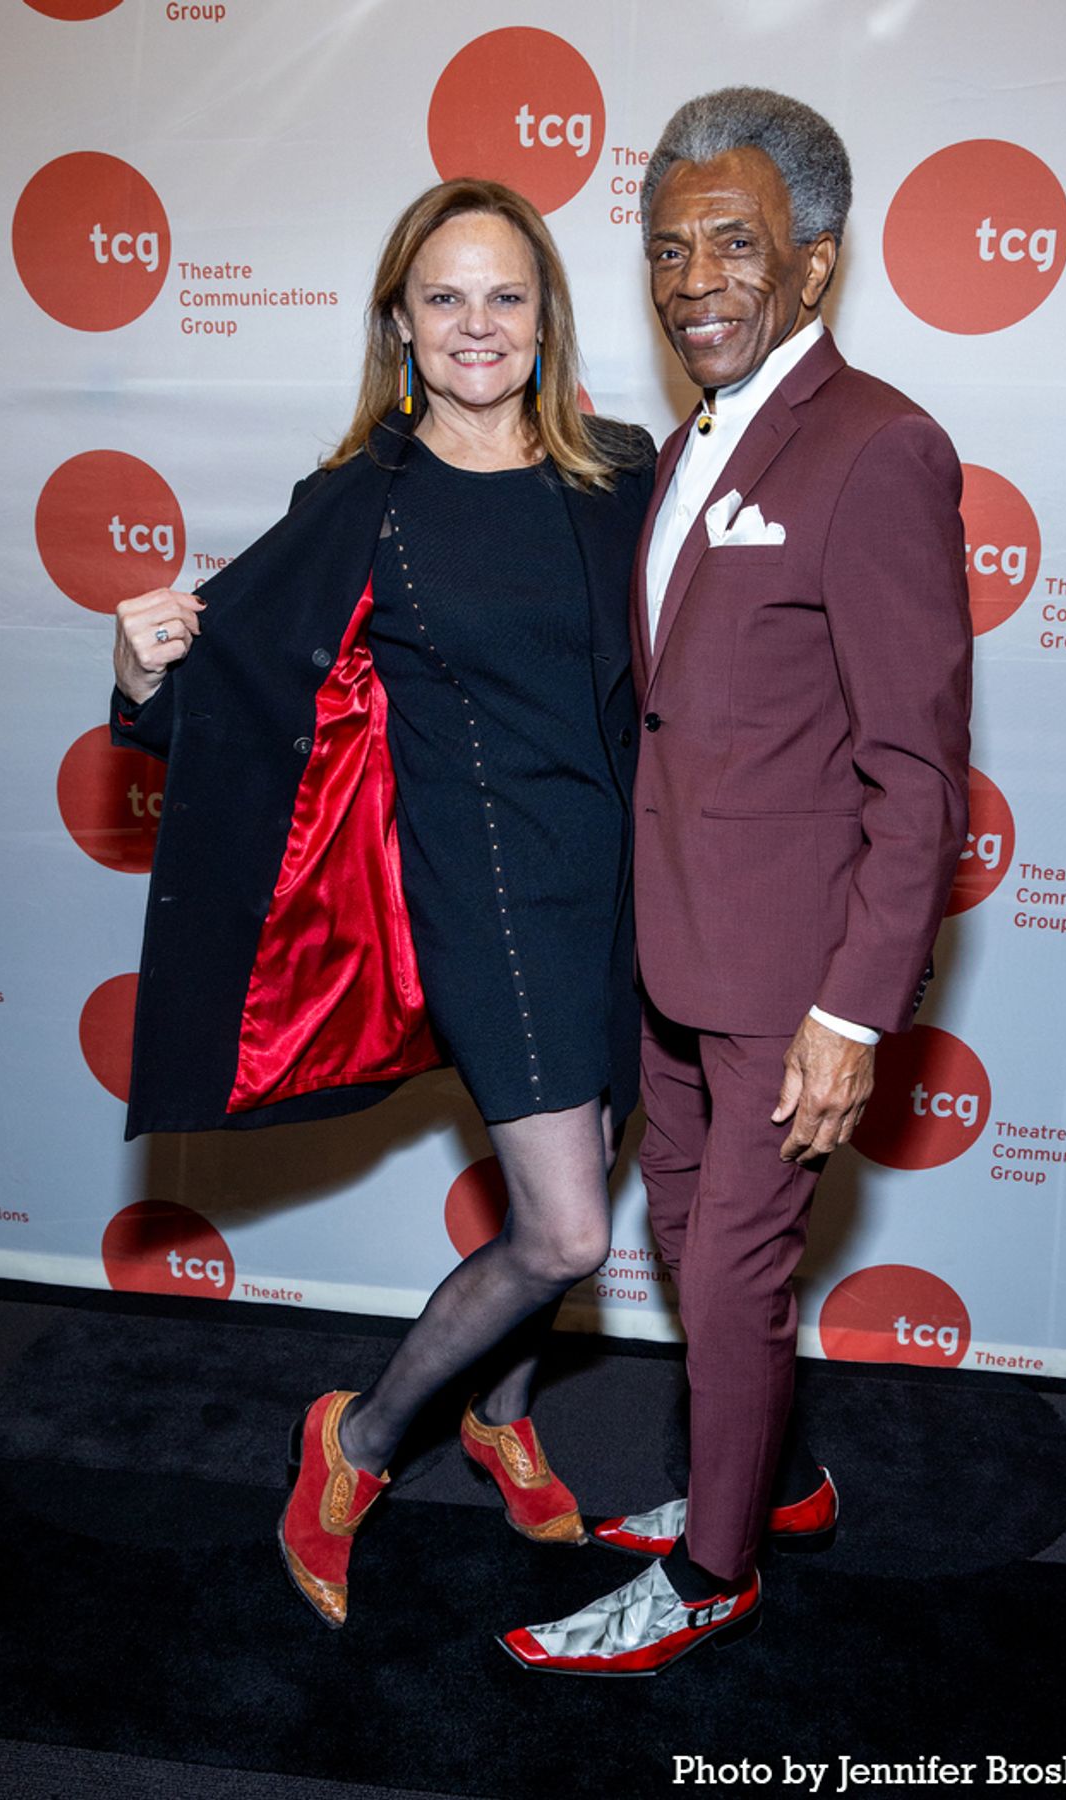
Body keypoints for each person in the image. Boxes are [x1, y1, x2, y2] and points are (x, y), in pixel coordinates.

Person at [110, 178, 655, 1630]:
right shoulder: (365, 500)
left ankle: (506, 1415)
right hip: (485, 906)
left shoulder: (621, 468)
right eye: (443, 298)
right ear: (400, 328)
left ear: (545, 319)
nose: (477, 325)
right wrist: (149, 677)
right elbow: (242, 703)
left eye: (505, 295)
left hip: (627, 898)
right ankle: (355, 1442)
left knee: (590, 1180)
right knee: (567, 1238)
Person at [500, 87, 972, 1676]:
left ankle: (713, 1577)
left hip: (790, 980)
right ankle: (773, 1483)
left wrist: (855, 1008)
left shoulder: (880, 445)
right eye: (668, 247)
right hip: (672, 954)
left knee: (729, 1267)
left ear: (816, 266)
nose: (693, 278)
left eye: (735, 245)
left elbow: (915, 772)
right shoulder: (688, 440)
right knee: (704, 1245)